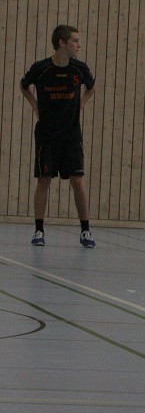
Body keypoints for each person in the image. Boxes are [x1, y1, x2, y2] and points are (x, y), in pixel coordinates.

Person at [20, 24, 98, 248]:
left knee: (77, 180)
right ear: (61, 43)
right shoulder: (41, 68)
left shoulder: (79, 69)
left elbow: (91, 87)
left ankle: (85, 231)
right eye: (75, 41)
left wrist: (82, 103)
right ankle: (38, 230)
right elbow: (24, 86)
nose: (78, 45)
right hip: (46, 135)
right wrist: (35, 105)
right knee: (44, 180)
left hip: (71, 135)